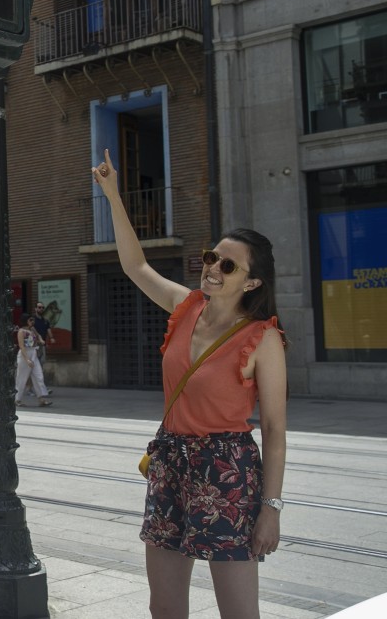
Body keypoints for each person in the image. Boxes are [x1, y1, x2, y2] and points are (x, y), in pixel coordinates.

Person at [92, 150, 287, 619]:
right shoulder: (186, 308)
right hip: (171, 462)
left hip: (228, 472)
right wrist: (113, 196)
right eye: (211, 258)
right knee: (165, 606)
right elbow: (136, 267)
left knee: (238, 610)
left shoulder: (263, 340)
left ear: (253, 282)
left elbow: (276, 431)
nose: (212, 269)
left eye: (228, 266)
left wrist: (271, 508)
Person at [14, 315, 52, 407]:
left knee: (39, 376)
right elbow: (22, 346)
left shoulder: (32, 329)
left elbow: (38, 335)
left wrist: (41, 340)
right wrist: (27, 359)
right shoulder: (21, 331)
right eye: (30, 320)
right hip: (24, 355)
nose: (32, 321)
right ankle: (17, 399)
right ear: (25, 321)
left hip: (33, 353)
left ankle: (41, 399)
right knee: (21, 378)